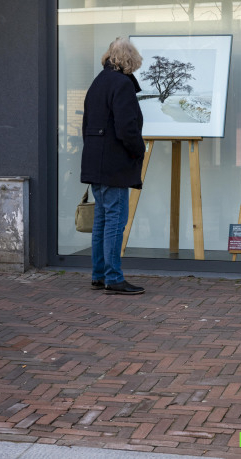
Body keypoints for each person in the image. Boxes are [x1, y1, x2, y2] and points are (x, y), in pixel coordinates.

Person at [81, 37, 146, 295]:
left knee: (101, 221)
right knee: (115, 222)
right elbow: (127, 128)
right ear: (131, 59)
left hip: (96, 162)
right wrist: (139, 150)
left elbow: (87, 125)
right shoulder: (122, 84)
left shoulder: (99, 81)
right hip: (114, 165)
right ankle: (114, 278)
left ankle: (99, 275)